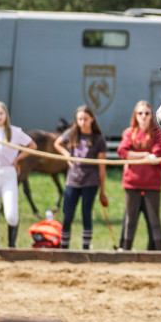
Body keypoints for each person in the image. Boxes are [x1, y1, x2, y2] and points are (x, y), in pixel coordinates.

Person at [0, 101, 37, 247]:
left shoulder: (15, 132)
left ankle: (11, 246)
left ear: (6, 115)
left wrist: (18, 158)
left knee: (11, 213)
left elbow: (32, 146)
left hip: (8, 172)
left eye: (1, 114)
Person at [54, 105, 108, 249]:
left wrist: (102, 191)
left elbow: (102, 167)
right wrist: (66, 154)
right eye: (79, 119)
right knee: (68, 214)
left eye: (85, 119)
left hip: (90, 181)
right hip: (73, 180)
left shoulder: (98, 139)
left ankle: (85, 247)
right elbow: (57, 143)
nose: (82, 122)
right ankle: (64, 247)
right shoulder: (72, 133)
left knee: (86, 214)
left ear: (91, 119)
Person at [117, 101, 161, 250]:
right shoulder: (129, 133)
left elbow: (159, 151)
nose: (143, 116)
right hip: (132, 183)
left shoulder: (157, 133)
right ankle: (126, 250)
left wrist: (137, 155)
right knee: (130, 220)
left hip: (152, 183)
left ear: (152, 115)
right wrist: (145, 155)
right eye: (140, 113)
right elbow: (123, 152)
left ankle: (160, 253)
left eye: (147, 113)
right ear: (135, 115)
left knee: (154, 220)